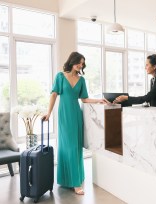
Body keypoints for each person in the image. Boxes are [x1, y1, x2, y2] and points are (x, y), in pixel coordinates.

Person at [42, 52, 109, 195]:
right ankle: (71, 181)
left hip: (76, 115)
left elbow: (84, 99)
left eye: (82, 64)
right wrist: (48, 113)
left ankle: (76, 179)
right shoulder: (60, 76)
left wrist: (98, 100)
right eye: (79, 63)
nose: (81, 66)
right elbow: (54, 94)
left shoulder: (81, 80)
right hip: (64, 115)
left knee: (75, 147)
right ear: (72, 62)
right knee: (67, 147)